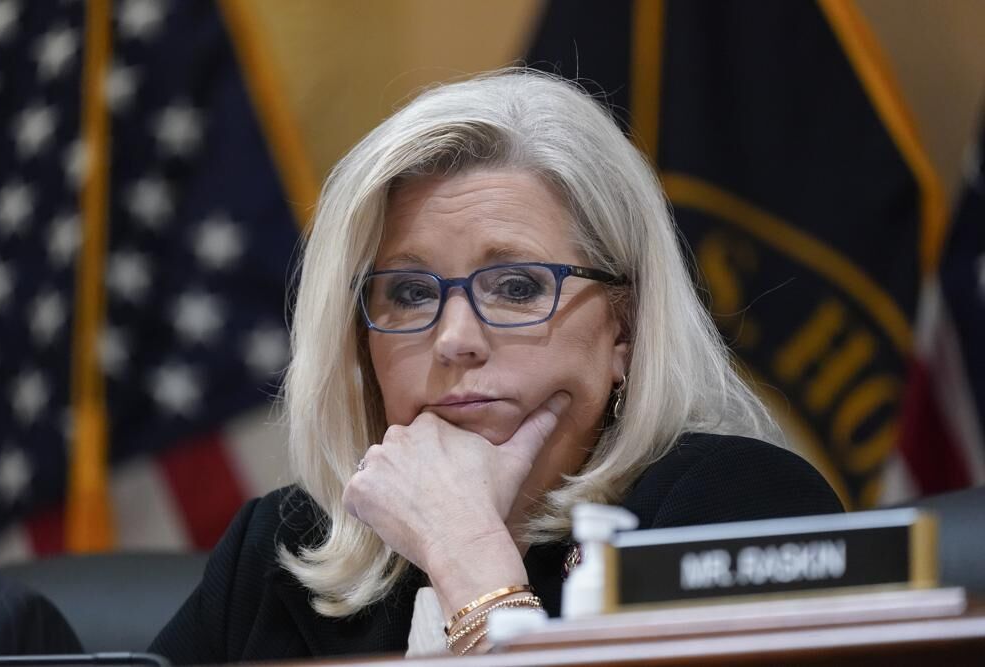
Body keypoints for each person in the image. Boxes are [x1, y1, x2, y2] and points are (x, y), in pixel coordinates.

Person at [149, 69, 843, 663]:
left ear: (624, 326)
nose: (455, 338)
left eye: (516, 287)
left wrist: (469, 556)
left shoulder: (737, 510)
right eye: (411, 292)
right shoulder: (280, 549)